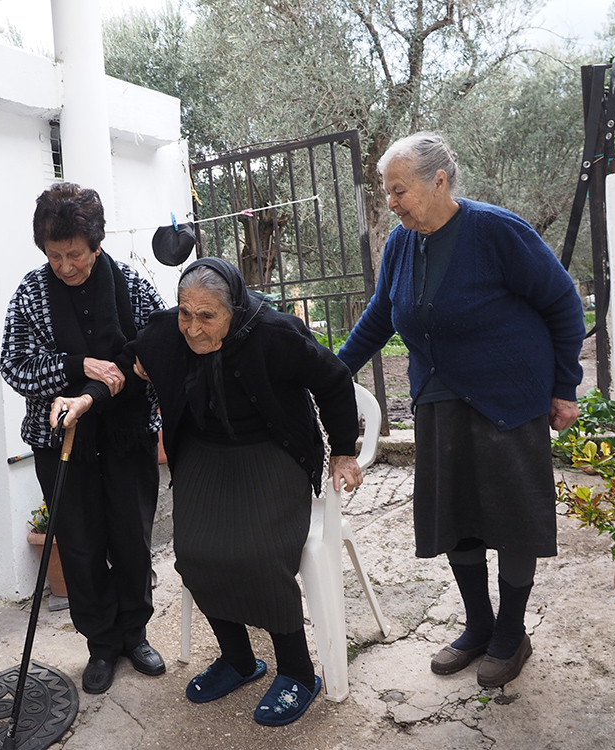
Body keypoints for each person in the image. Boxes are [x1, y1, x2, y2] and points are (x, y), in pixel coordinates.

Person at [52, 257, 362, 727]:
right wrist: (84, 398)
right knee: (195, 554)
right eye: (185, 313)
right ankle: (238, 660)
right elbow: (124, 370)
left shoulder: (275, 334)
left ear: (233, 310)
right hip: (205, 452)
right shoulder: (165, 334)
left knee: (259, 556)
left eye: (207, 316)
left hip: (273, 452)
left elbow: (334, 380)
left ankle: (298, 672)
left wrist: (342, 452)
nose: (193, 328)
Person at [337, 132, 584, 688]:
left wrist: (565, 386)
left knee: (514, 521)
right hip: (440, 397)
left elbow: (562, 302)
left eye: (399, 190)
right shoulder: (401, 243)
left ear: (439, 181)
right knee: (457, 518)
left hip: (508, 397)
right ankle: (478, 626)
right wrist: (334, 369)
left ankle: (511, 634)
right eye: (387, 192)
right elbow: (381, 314)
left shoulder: (496, 230)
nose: (391, 202)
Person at [0, 182, 167, 695]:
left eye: (74, 254)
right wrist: (78, 366)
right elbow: (14, 366)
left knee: (132, 541)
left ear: (96, 244)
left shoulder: (133, 286)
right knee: (80, 546)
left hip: (127, 438)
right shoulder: (31, 293)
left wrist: (130, 372)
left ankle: (135, 634)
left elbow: (158, 349)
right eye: (54, 256)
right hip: (62, 445)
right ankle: (101, 643)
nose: (65, 266)